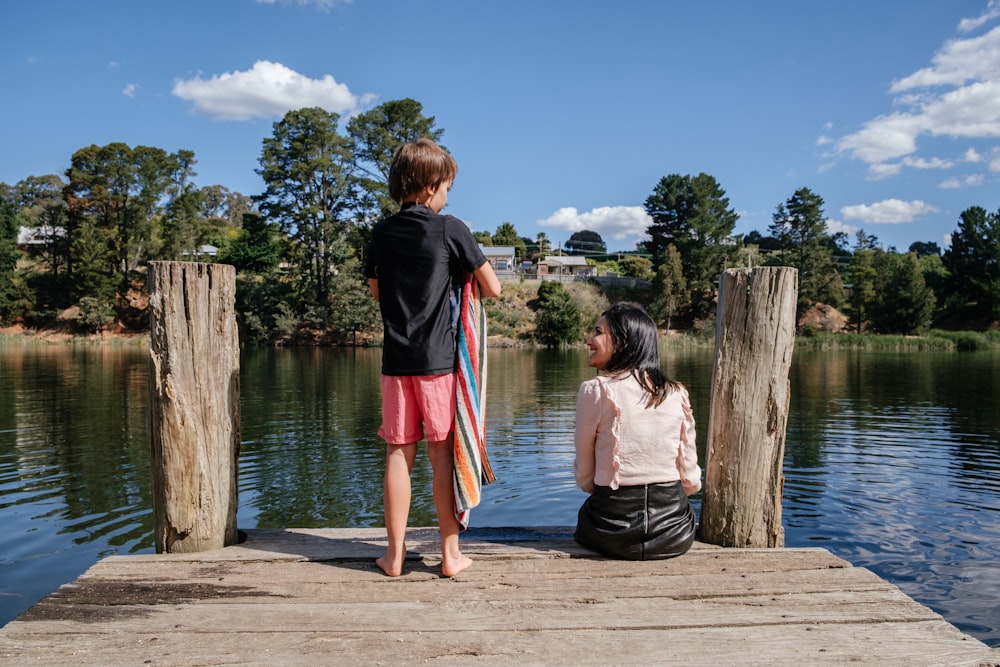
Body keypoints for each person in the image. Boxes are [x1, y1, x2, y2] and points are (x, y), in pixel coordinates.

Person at [364, 139, 501, 577]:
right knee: (442, 457)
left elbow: (378, 293)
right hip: (439, 365)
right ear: (428, 188)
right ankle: (450, 556)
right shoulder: (449, 229)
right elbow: (493, 288)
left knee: (397, 456)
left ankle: (394, 556)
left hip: (395, 363)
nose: (447, 197)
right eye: (446, 187)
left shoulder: (380, 234)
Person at [573, 302, 701, 560]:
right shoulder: (676, 393)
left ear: (622, 342)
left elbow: (585, 479)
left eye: (598, 332)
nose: (589, 340)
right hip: (674, 533)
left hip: (610, 532)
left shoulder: (595, 390)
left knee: (586, 514)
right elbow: (690, 480)